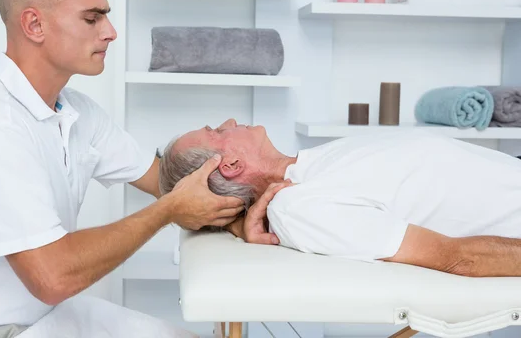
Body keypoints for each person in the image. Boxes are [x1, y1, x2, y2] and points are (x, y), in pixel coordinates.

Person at [0, 0, 263, 338]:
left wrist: (238, 218)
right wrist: (169, 211)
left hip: (50, 314)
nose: (111, 32)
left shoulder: (77, 111)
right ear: (34, 24)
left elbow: (162, 178)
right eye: (92, 18)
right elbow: (51, 277)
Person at [159, 118, 521, 277]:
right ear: (232, 165)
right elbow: (457, 260)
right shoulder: (296, 207)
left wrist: (238, 222)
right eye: (217, 131)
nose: (232, 120)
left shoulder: (303, 172)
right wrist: (239, 221)